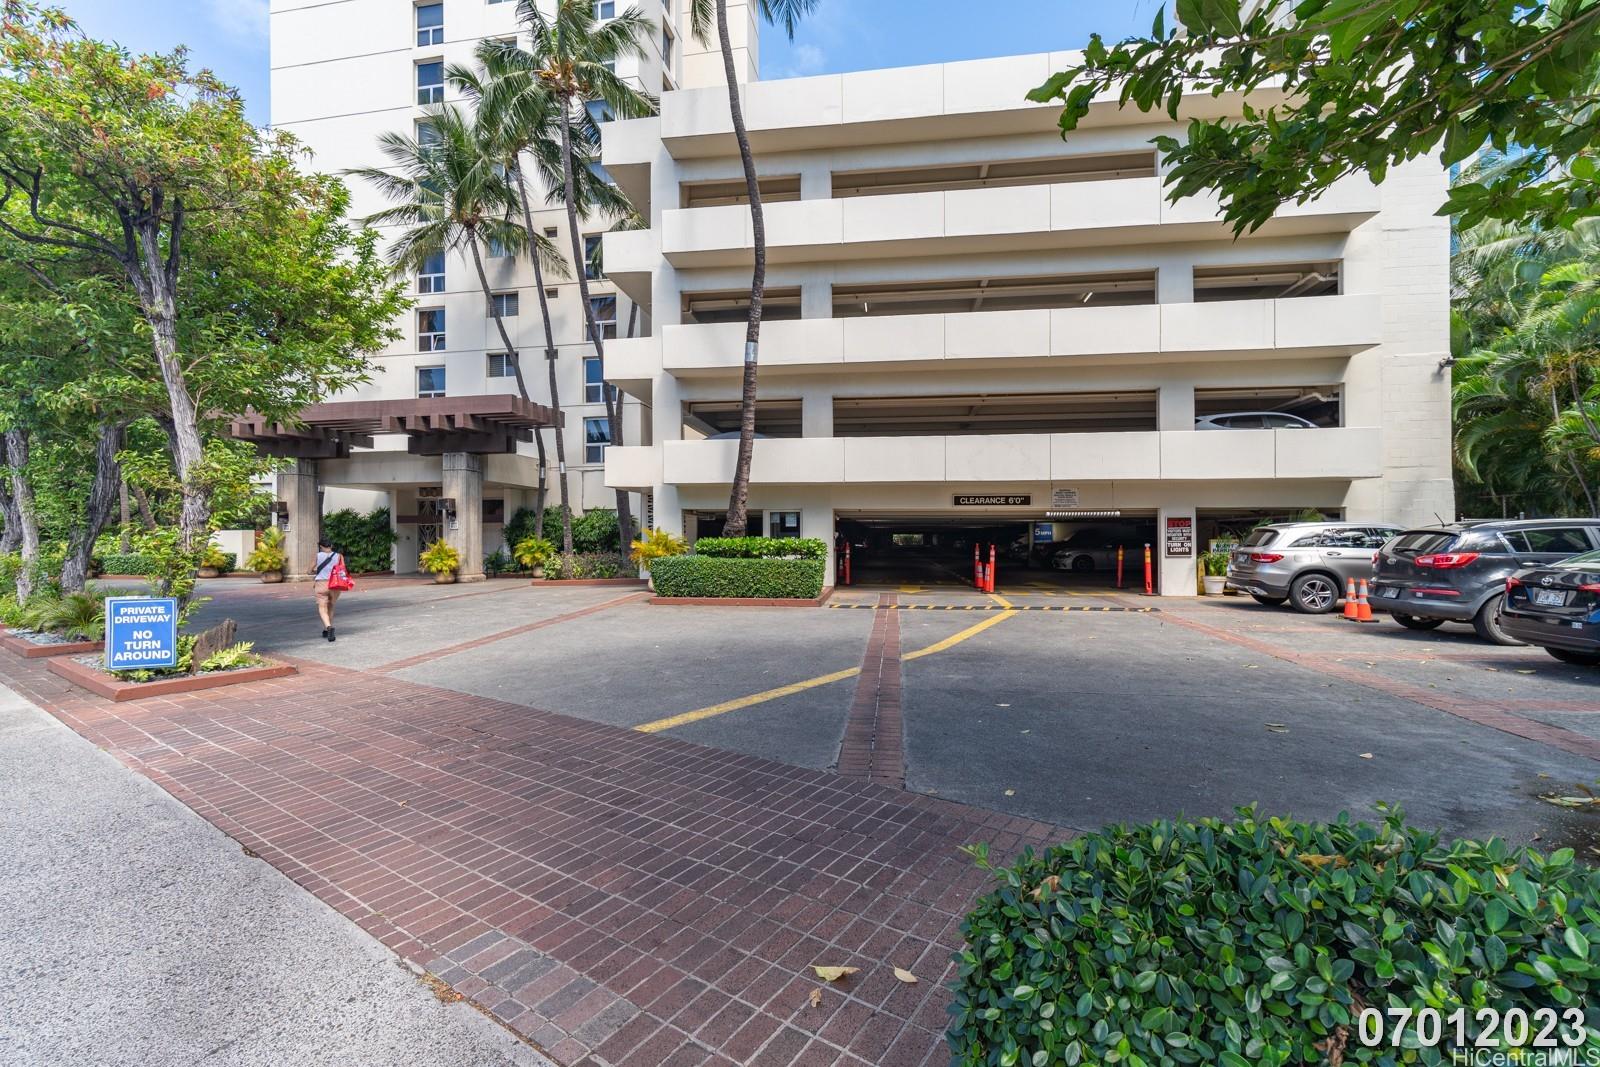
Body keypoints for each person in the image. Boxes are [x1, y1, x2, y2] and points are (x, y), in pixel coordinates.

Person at [312, 537, 345, 642]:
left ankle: (328, 627)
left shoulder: (317, 555)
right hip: (334, 584)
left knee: (322, 607)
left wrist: (315, 570)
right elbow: (342, 570)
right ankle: (326, 630)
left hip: (321, 584)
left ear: (321, 546)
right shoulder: (339, 556)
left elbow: (309, 569)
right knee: (330, 606)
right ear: (331, 546)